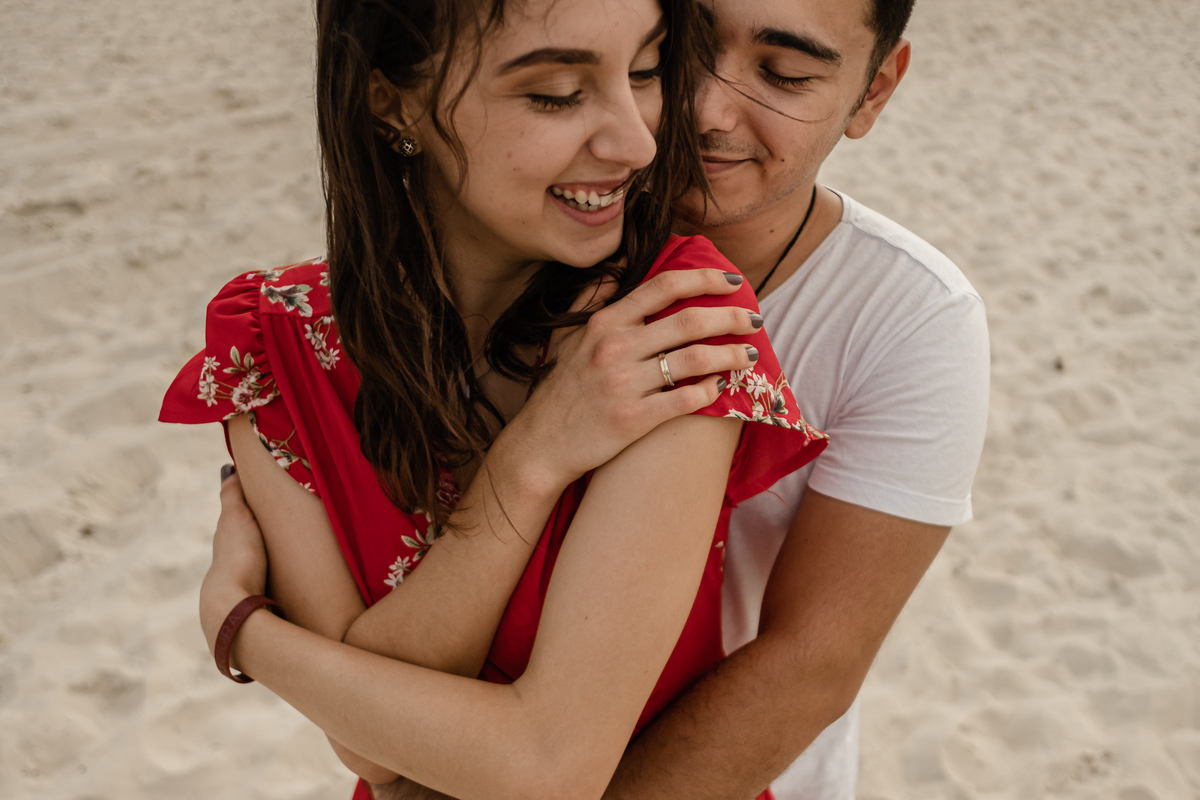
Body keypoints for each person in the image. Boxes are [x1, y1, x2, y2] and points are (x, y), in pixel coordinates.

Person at [162, 0, 826, 798]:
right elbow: (372, 754)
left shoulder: (669, 325)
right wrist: (531, 458)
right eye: (555, 93)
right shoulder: (272, 345)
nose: (637, 140)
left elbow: (551, 764)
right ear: (392, 99)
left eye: (645, 72)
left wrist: (245, 631)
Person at [586, 1, 992, 798]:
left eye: (785, 75)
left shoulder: (913, 316)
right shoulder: (527, 233)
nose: (708, 108)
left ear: (872, 93)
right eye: (680, 48)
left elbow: (812, 662)